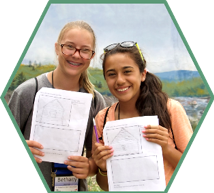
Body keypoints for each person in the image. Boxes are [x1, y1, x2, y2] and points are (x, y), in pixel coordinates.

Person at [8, 21, 106, 191]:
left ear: (91, 56)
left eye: (84, 50)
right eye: (69, 47)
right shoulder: (28, 92)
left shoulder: (95, 101)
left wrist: (89, 167)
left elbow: (96, 160)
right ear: (57, 48)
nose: (76, 55)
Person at [91, 41, 193, 191]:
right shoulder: (103, 118)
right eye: (111, 74)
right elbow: (105, 186)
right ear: (106, 79)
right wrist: (103, 168)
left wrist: (166, 148)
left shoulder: (170, 109)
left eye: (127, 71)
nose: (120, 80)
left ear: (143, 74)